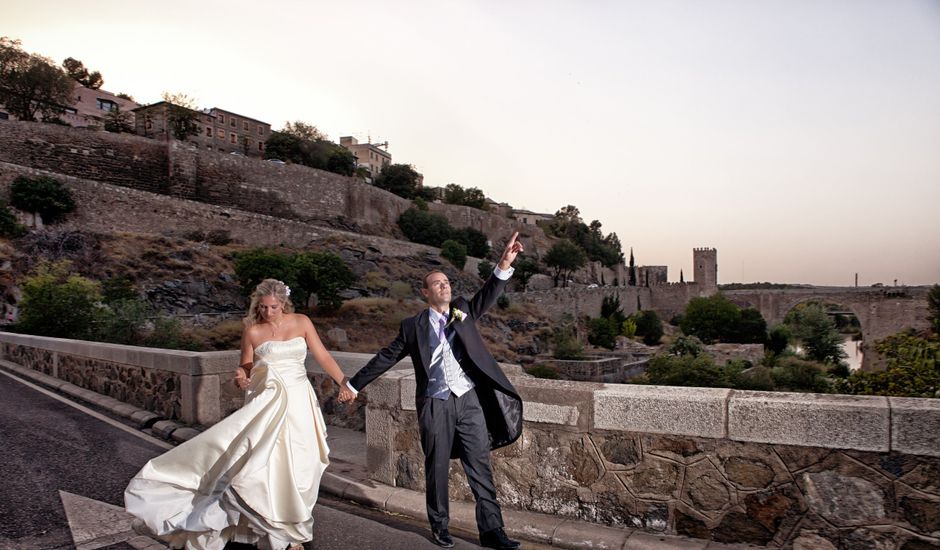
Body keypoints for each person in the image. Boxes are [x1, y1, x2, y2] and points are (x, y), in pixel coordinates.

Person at [125, 278, 353, 550]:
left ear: (284, 304)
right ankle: (286, 536)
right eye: (264, 307)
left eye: (274, 307)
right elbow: (245, 366)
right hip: (267, 402)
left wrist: (343, 382)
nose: (268, 312)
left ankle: (292, 521)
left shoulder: (302, 322)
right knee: (265, 465)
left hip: (299, 402)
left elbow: (323, 356)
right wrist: (240, 375)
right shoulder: (253, 331)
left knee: (303, 463)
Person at [340, 232, 525, 549]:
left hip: (469, 401)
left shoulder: (463, 310)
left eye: (447, 283)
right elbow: (387, 356)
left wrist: (503, 264)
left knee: (480, 467)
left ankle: (493, 532)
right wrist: (353, 383)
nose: (445, 286)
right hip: (435, 403)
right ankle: (440, 526)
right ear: (425, 292)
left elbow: (488, 294)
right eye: (437, 284)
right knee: (436, 468)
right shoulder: (412, 326)